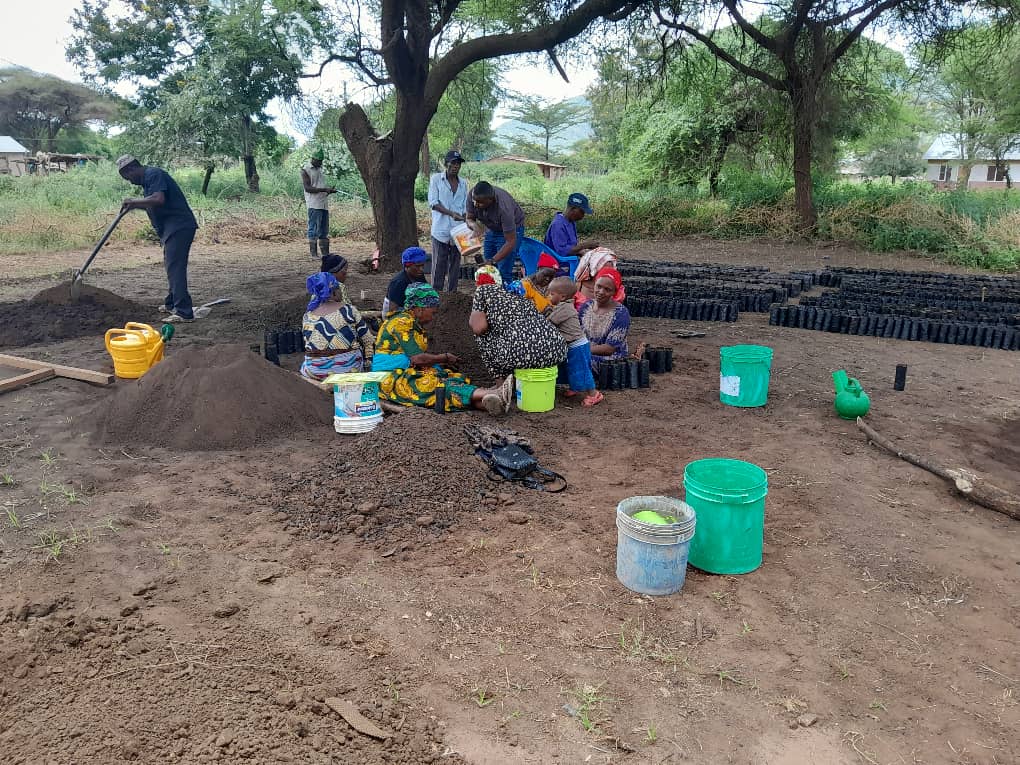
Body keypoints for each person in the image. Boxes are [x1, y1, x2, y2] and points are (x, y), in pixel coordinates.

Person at [374, 283, 514, 415]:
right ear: (419, 309)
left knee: (449, 377)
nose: (433, 318)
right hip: (390, 377)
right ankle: (493, 394)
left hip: (405, 371)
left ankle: (487, 403)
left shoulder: (412, 323)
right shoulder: (401, 322)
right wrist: (444, 357)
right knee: (433, 385)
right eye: (433, 313)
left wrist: (440, 362)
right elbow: (417, 358)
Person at [116, 155, 198, 323]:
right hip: (172, 228)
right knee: (171, 265)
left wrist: (133, 201)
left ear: (131, 170)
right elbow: (152, 202)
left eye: (128, 178)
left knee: (175, 267)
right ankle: (171, 304)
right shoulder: (148, 180)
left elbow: (158, 199)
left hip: (179, 226)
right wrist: (135, 205)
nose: (130, 182)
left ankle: (184, 312)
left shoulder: (153, 174)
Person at [470, 265, 567, 378]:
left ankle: (501, 384)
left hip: (522, 354)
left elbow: (478, 328)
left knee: (483, 335)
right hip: (556, 350)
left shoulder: (483, 290)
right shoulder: (515, 290)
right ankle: (520, 381)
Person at [300, 272, 374, 381]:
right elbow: (368, 340)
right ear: (334, 293)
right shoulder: (349, 310)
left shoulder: (308, 316)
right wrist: (368, 361)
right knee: (358, 349)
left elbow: (308, 344)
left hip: (315, 371)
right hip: (347, 369)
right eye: (339, 289)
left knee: (305, 364)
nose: (341, 292)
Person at [544, 277, 602, 407]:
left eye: (551, 294)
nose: (548, 296)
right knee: (569, 367)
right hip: (572, 345)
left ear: (562, 296)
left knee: (581, 369)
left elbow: (548, 322)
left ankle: (593, 394)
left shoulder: (565, 309)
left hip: (577, 346)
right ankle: (574, 386)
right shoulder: (562, 306)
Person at [465, 181, 525, 286]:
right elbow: (469, 218)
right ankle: (490, 298)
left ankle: (505, 300)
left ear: (490, 200)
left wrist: (493, 260)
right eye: (474, 201)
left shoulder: (504, 208)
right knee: (488, 271)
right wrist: (474, 226)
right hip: (492, 228)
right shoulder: (473, 195)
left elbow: (511, 241)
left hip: (511, 232)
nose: (475, 204)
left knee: (503, 272)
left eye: (480, 202)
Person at [428, 150, 468, 292]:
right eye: (453, 163)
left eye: (458, 164)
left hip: (458, 231)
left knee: (455, 266)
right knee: (439, 265)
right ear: (446, 164)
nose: (456, 166)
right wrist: (451, 214)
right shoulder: (436, 179)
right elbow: (433, 202)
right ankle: (436, 295)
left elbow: (464, 206)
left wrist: (466, 219)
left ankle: (452, 296)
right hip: (441, 230)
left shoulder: (463, 183)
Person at [579, 267, 630, 373]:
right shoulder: (586, 306)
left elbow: (609, 349)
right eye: (599, 286)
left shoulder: (620, 313)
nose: (601, 292)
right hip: (586, 351)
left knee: (577, 361)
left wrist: (581, 350)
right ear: (594, 285)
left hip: (611, 360)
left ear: (614, 292)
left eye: (607, 289)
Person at [301, 148, 337, 259]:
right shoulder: (305, 170)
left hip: (323, 203)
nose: (320, 163)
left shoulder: (320, 170)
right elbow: (308, 188)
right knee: (314, 228)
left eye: (321, 161)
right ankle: (314, 254)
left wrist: (328, 190)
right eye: (319, 161)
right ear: (313, 159)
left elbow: (320, 187)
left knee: (324, 230)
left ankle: (325, 254)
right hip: (314, 204)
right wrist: (324, 189)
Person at [544, 193, 599, 258]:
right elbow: (562, 252)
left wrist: (580, 251)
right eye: (582, 212)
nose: (583, 216)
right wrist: (584, 245)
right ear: (573, 209)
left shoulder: (570, 222)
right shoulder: (558, 225)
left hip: (568, 259)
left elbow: (570, 246)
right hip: (557, 263)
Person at [383, 246, 428, 316]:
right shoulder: (398, 283)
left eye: (422, 266)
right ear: (407, 266)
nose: (421, 269)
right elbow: (392, 310)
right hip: (396, 314)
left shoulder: (419, 275)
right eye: (418, 266)